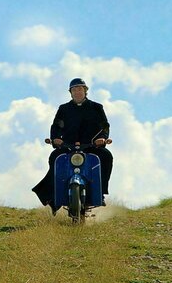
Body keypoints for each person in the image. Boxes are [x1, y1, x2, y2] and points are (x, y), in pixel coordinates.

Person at [32, 78, 114, 212]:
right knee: (54, 157)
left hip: (91, 146)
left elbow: (104, 126)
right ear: (70, 93)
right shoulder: (64, 109)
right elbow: (56, 126)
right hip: (68, 146)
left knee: (106, 156)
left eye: (80, 89)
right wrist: (55, 139)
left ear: (85, 91)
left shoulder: (96, 107)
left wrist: (102, 138)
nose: (77, 92)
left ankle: (101, 192)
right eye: (74, 90)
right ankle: (55, 194)